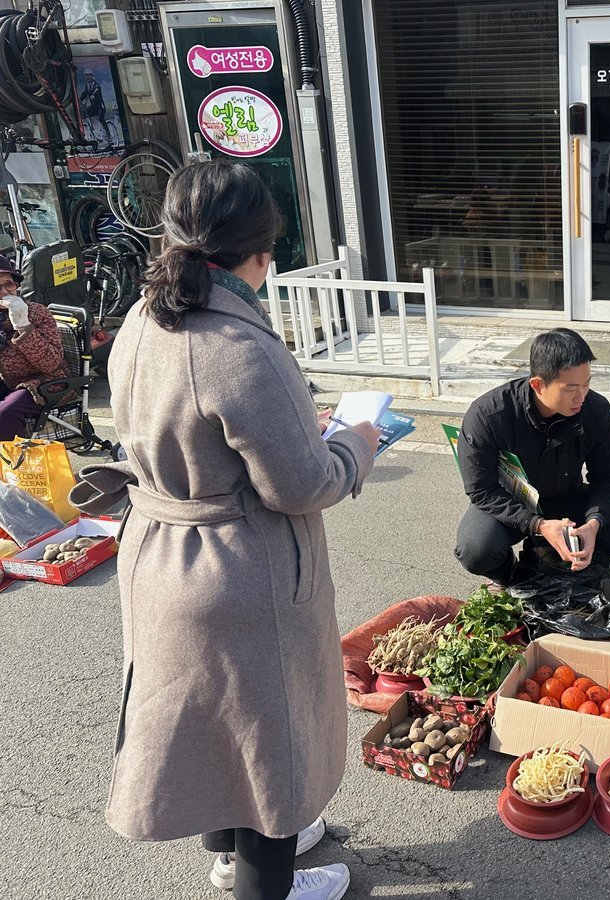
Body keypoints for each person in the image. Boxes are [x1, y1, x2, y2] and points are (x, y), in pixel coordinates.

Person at [67, 161, 379, 900]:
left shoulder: (143, 318)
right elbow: (301, 484)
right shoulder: (241, 345)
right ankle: (264, 884)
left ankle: (229, 852)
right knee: (271, 739)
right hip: (238, 571)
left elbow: (196, 431)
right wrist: (357, 443)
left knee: (214, 722)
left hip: (159, 549)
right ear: (262, 253)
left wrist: (300, 430)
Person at [454, 327, 610, 585]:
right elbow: (482, 491)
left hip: (568, 496)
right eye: (570, 389)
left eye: (586, 384)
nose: (581, 397)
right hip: (512, 502)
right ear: (538, 385)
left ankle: (573, 557)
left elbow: (608, 477)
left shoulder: (596, 410)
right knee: (476, 549)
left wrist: (593, 522)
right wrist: (538, 524)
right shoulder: (488, 416)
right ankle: (511, 575)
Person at [0, 255, 70, 440]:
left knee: (4, 414)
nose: (5, 292)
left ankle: (14, 458)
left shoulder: (37, 312)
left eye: (9, 285)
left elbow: (50, 363)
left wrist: (23, 326)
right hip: (8, 383)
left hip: (45, 382)